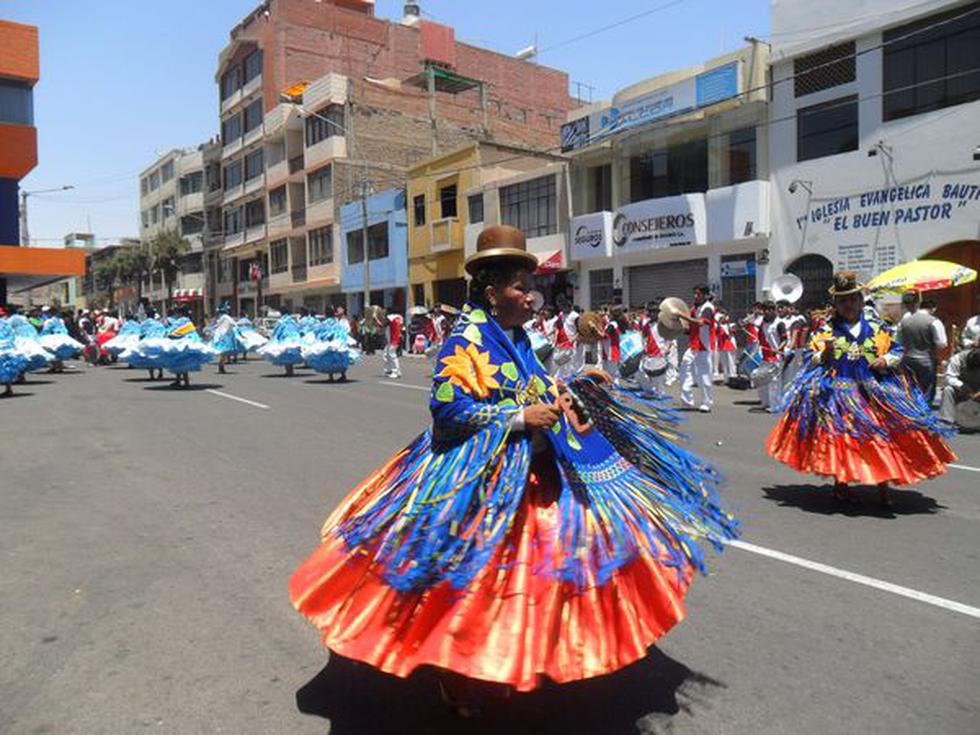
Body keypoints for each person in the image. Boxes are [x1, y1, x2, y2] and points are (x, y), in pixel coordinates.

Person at [288, 225, 736, 712]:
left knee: (536, 575)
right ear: (490, 289)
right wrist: (517, 418)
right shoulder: (466, 338)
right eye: (521, 286)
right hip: (480, 480)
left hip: (531, 470)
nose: (532, 296)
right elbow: (447, 412)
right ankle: (458, 671)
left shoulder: (517, 335)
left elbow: (534, 383)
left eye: (532, 285)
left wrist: (575, 380)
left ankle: (513, 656)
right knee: (472, 583)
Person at [767, 271, 956, 506]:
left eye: (853, 299)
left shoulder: (878, 328)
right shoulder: (826, 330)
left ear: (860, 300)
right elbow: (809, 355)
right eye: (843, 301)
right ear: (836, 304)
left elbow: (897, 351)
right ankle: (841, 485)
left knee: (882, 438)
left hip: (875, 391)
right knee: (842, 441)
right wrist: (823, 354)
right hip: (839, 393)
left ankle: (883, 487)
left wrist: (886, 360)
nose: (849, 305)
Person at [896, 291, 946, 405]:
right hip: (926, 360)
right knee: (927, 391)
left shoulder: (903, 322)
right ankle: (925, 414)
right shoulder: (933, 321)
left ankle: (914, 413)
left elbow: (899, 342)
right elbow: (942, 343)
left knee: (911, 389)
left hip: (908, 359)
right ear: (919, 302)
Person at [678, 285, 715, 412]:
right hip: (693, 346)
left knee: (704, 375)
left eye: (698, 294)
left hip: (704, 346)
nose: (695, 296)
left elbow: (700, 323)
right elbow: (689, 327)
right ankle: (687, 401)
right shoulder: (694, 308)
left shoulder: (708, 308)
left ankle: (707, 403)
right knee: (684, 370)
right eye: (694, 293)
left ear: (705, 295)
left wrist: (683, 317)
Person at [939, 346, 980, 428]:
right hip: (963, 390)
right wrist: (963, 386)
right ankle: (946, 420)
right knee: (948, 390)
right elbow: (949, 377)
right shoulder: (957, 359)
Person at [756, 301, 785, 412]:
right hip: (765, 356)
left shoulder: (779, 323)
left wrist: (778, 350)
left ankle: (775, 405)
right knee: (761, 379)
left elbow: (785, 340)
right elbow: (761, 339)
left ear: (774, 310)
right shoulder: (763, 324)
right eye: (765, 310)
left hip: (776, 357)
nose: (766, 312)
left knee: (774, 382)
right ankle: (765, 402)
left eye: (769, 310)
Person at [383, 307, 403, 379]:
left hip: (392, 340)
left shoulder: (390, 317)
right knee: (387, 354)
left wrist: (376, 319)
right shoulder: (399, 317)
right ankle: (390, 370)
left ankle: (395, 372)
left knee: (392, 356)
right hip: (396, 338)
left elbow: (383, 324)